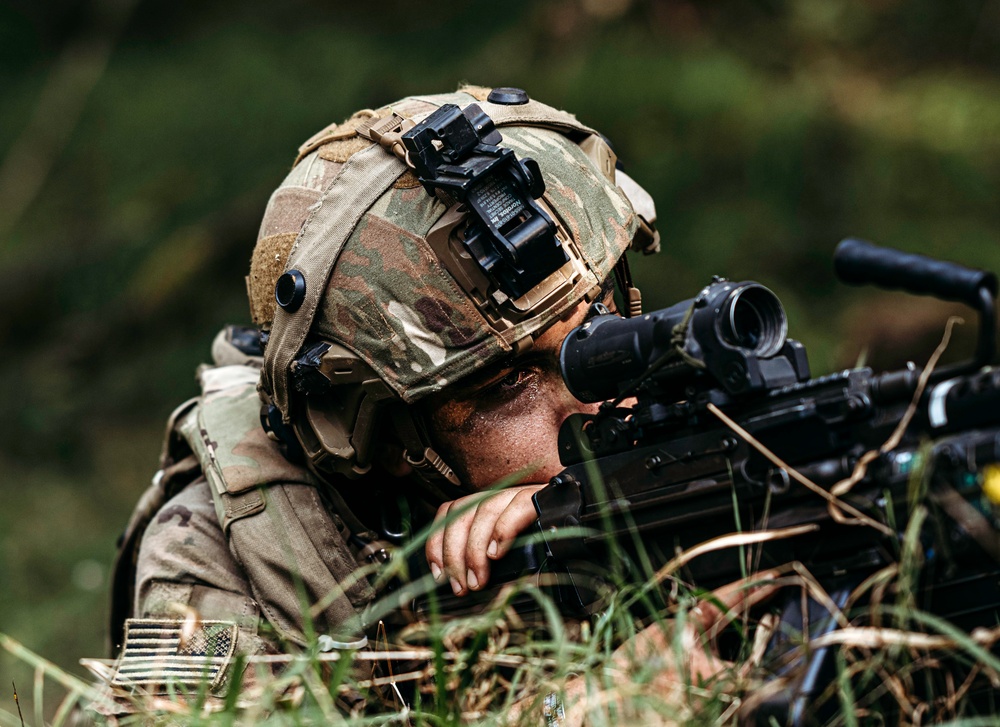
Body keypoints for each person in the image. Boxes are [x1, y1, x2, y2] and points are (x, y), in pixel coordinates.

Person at [90, 85, 776, 723]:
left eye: (595, 332)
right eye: (508, 385)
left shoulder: (664, 456)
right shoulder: (214, 549)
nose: (592, 407)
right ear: (385, 436)